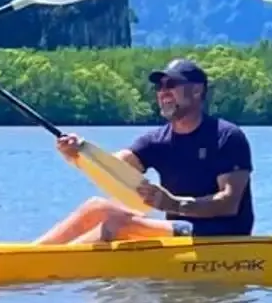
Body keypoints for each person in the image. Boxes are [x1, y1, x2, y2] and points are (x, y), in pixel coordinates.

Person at [34, 57, 254, 244]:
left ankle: (48, 265)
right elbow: (114, 166)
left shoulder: (227, 136)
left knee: (116, 223)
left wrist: (173, 204)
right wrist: (77, 154)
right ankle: (32, 254)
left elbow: (229, 203)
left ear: (197, 90)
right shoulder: (157, 140)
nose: (163, 92)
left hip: (221, 236)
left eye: (171, 84)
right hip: (179, 230)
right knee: (96, 206)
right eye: (159, 87)